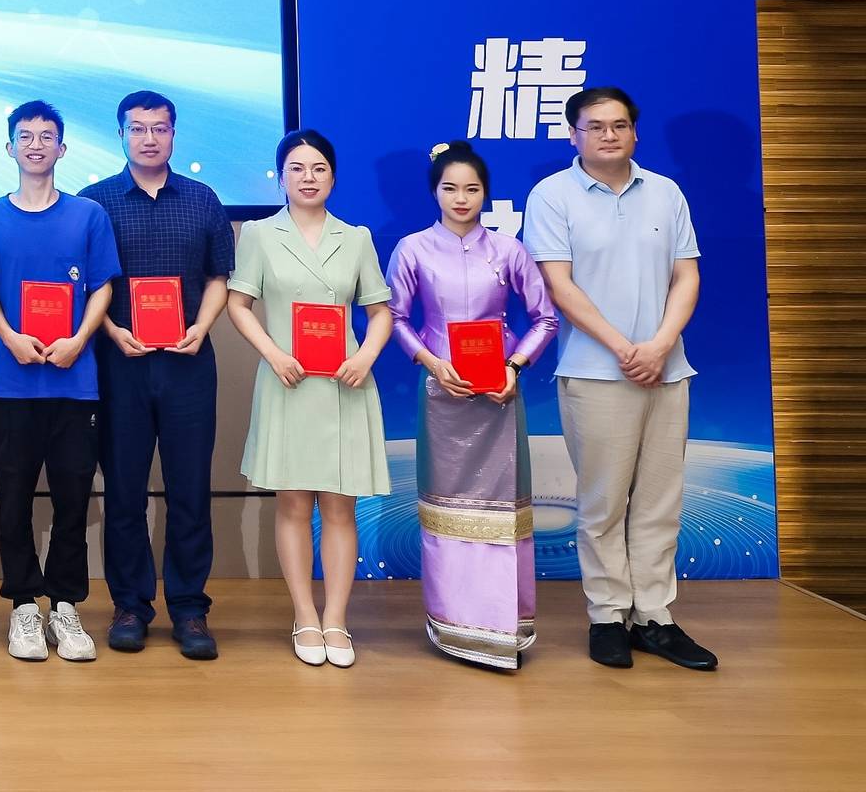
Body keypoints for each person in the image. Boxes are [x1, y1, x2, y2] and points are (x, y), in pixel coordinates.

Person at [526, 86, 716, 672]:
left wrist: (658, 346)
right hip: (595, 373)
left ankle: (655, 618)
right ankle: (608, 616)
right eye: (595, 126)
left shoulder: (666, 192)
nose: (608, 135)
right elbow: (559, 285)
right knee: (603, 503)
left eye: (619, 125)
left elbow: (687, 276)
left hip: (667, 369)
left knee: (659, 500)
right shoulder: (552, 195)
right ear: (573, 135)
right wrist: (622, 348)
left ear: (634, 131)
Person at [385, 142, 558, 671]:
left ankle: (504, 629)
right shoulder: (413, 249)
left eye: (472, 188)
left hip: (499, 395)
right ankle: (454, 624)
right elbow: (395, 318)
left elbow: (545, 318)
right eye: (450, 188)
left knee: (501, 513)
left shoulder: (509, 250)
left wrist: (514, 367)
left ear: (486, 193)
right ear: (434, 192)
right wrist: (431, 363)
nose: (461, 198)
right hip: (442, 393)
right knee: (448, 510)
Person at [225, 128, 392, 669]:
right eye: (296, 168)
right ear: (281, 177)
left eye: (318, 168)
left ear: (333, 177)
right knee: (294, 504)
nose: (308, 177)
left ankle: (337, 619)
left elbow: (380, 312)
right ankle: (304, 615)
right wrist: (273, 354)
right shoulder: (259, 234)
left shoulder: (356, 237)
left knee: (340, 507)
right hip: (288, 381)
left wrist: (366, 356)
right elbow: (238, 304)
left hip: (345, 382)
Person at [79, 88, 236, 659]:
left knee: (189, 490)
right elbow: (87, 286)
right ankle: (130, 605)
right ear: (120, 134)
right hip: (119, 365)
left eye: (160, 128)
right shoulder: (94, 203)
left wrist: (202, 325)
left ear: (174, 134)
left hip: (188, 364)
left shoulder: (202, 199)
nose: (149, 138)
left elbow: (219, 276)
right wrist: (110, 329)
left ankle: (190, 609)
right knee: (124, 490)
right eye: (138, 128)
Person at [0, 101, 120, 666]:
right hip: (13, 386)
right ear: (10, 147)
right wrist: (8, 336)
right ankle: (23, 607)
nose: (36, 144)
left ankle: (65, 606)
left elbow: (102, 286)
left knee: (73, 503)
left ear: (62, 147)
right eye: (25, 136)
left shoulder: (88, 216)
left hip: (76, 385)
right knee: (13, 504)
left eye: (46, 136)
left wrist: (79, 339)